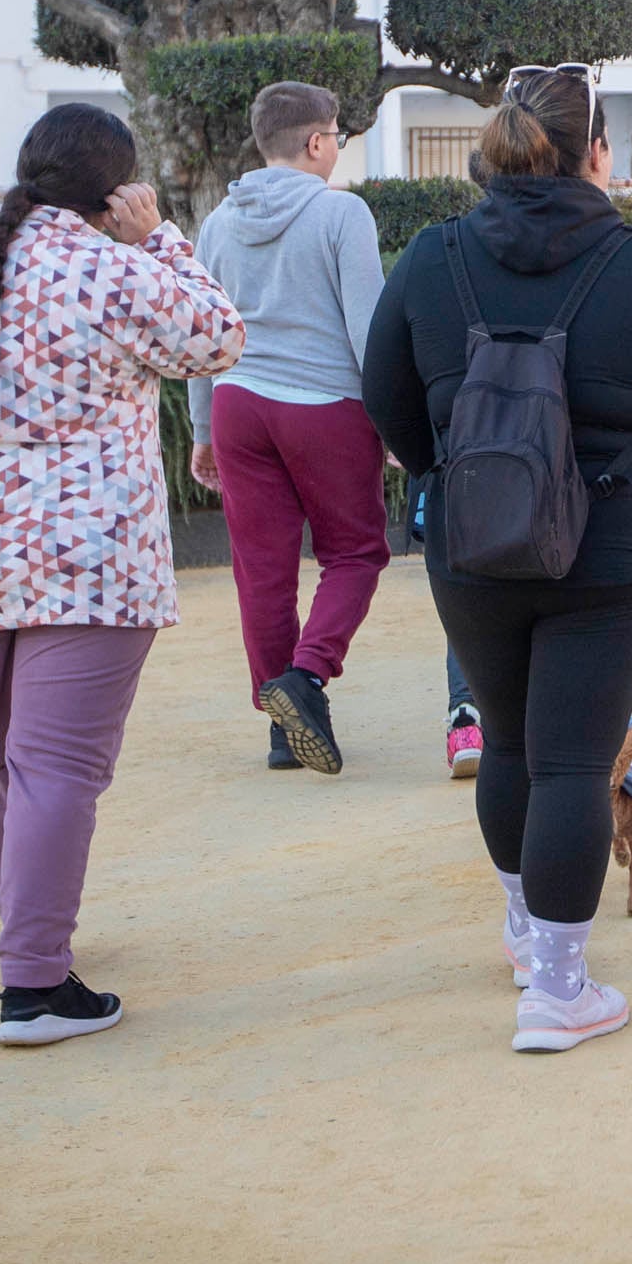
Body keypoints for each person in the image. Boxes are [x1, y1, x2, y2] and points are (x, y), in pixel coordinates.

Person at [362, 65, 632, 1054]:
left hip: (473, 536)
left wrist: (449, 474)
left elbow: (386, 399)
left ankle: (529, 940)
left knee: (513, 745)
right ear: (597, 153)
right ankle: (559, 992)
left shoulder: (431, 257)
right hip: (614, 543)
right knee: (576, 755)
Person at [0, 103, 245, 1047]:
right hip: (90, 562)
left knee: (0, 761)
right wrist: (164, 241)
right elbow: (219, 337)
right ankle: (32, 984)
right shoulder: (116, 266)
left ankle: (29, 933)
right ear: (115, 191)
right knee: (58, 767)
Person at [191, 79, 480, 777]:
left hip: (237, 402)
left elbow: (201, 329)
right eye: (339, 138)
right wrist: (390, 418)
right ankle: (308, 677)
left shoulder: (217, 222)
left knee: (261, 570)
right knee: (354, 554)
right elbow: (368, 330)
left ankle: (282, 728)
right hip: (323, 405)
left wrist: (202, 425)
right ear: (318, 142)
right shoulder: (340, 213)